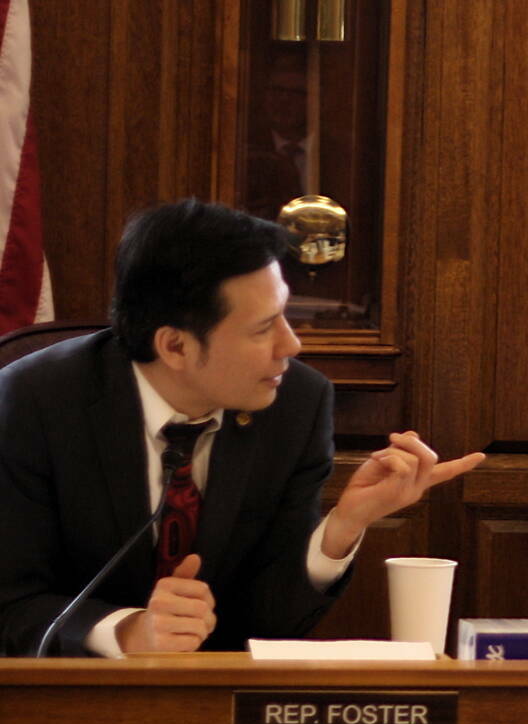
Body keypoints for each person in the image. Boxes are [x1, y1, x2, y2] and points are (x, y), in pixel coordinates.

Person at [0, 200, 484, 656]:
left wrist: (343, 526)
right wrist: (128, 631)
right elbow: (11, 604)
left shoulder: (297, 404)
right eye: (262, 328)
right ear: (175, 347)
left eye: (286, 316)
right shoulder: (31, 403)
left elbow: (270, 622)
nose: (290, 345)